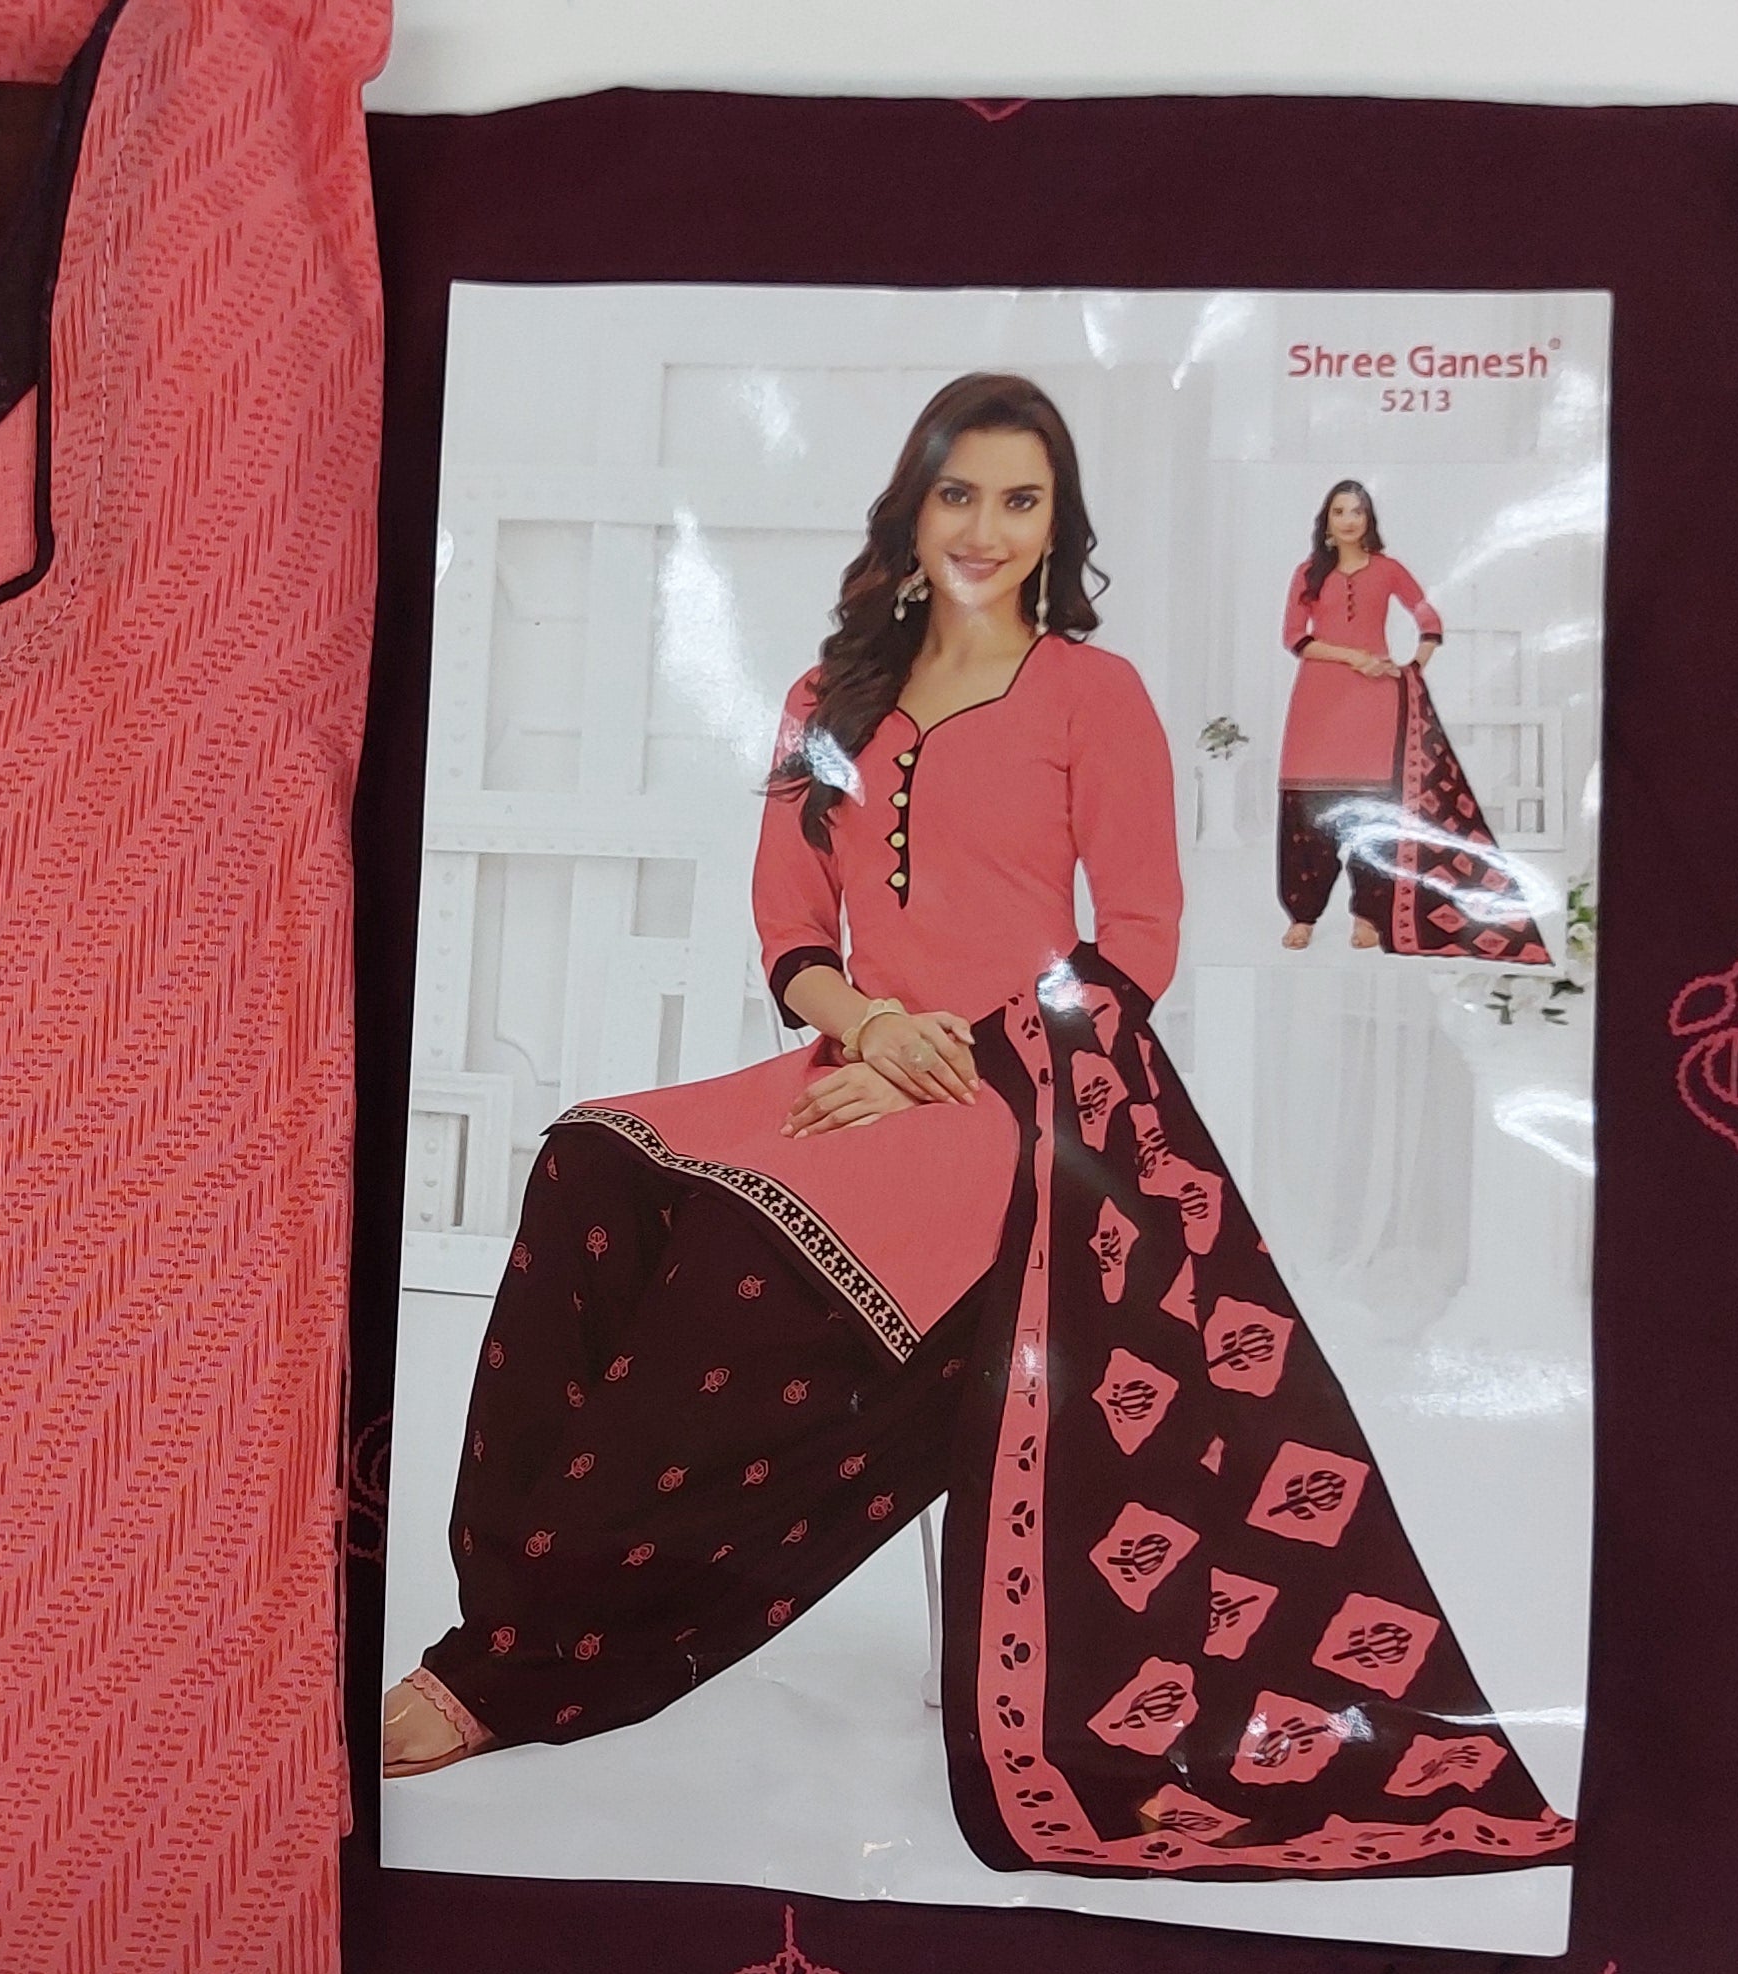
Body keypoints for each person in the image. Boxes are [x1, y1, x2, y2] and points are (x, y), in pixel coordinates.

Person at [380, 376, 1571, 1885]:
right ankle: (515, 1613)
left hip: (1034, 1094)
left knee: (742, 1252)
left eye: (1021, 499)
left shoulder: (1093, 692)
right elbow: (789, 920)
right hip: (857, 1062)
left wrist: (958, 1057)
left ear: (1056, 522)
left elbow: (1138, 937)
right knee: (590, 1162)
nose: (987, 528)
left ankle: (514, 1671)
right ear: (913, 507)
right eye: (961, 494)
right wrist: (873, 1031)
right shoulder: (826, 698)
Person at [1276, 481, 1550, 960]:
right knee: (1308, 807)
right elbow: (1295, 638)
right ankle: (1303, 915)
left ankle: (1367, 913)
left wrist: (1412, 667)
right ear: (1327, 521)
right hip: (1317, 702)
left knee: (1372, 806)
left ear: (1368, 519)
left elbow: (1428, 618)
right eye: (1339, 511)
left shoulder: (1388, 570)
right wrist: (1353, 658)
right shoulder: (1308, 573)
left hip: (1376, 702)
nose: (1348, 520)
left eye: (1357, 511)